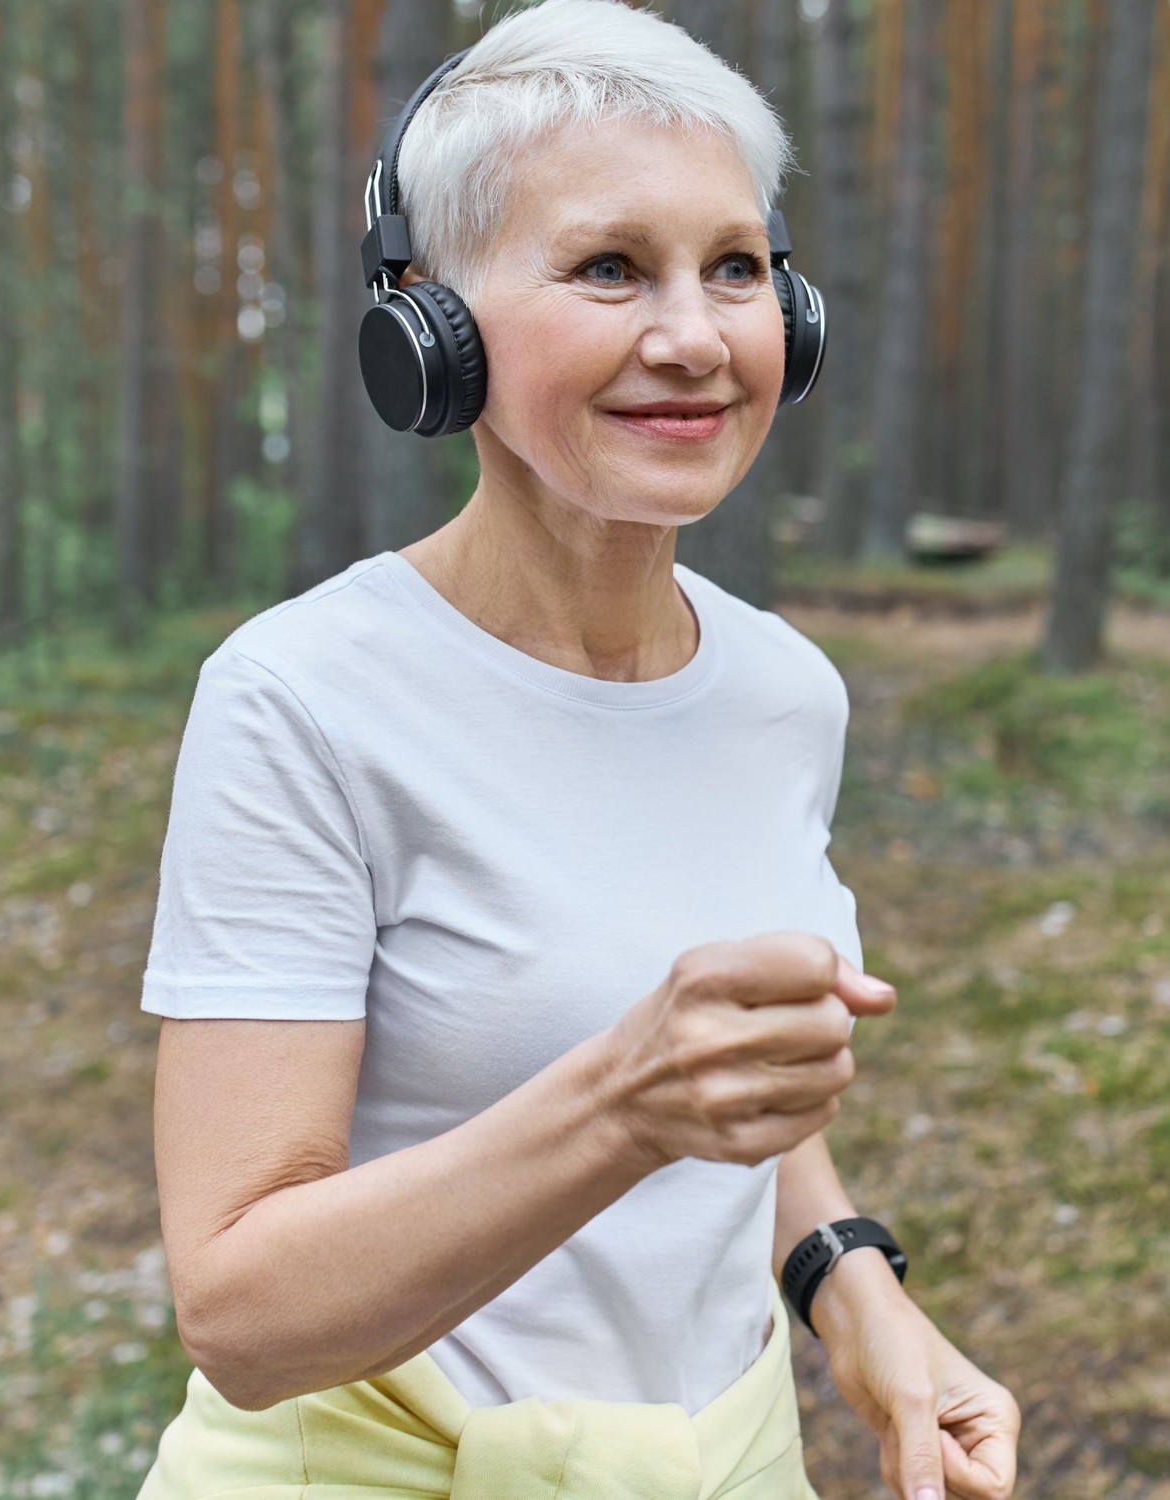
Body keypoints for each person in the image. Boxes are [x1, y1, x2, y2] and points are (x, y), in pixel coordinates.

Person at [133, 3, 1019, 1496]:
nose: (692, 338)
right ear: (432, 327)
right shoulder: (302, 702)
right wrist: (617, 1105)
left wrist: (854, 1289)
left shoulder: (785, 692)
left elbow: (727, 1076)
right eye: (610, 268)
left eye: (736, 269)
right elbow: (242, 1314)